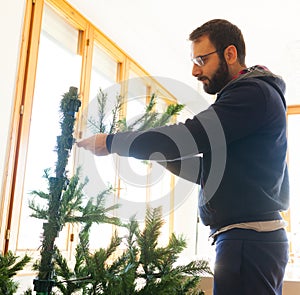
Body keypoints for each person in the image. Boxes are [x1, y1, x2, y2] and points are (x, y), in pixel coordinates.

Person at [77, 19, 289, 295]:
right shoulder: (251, 98)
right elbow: (208, 171)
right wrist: (158, 152)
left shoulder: (251, 95)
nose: (194, 70)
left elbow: (189, 137)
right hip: (250, 240)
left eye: (201, 59)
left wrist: (112, 142)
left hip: (248, 241)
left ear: (230, 54)